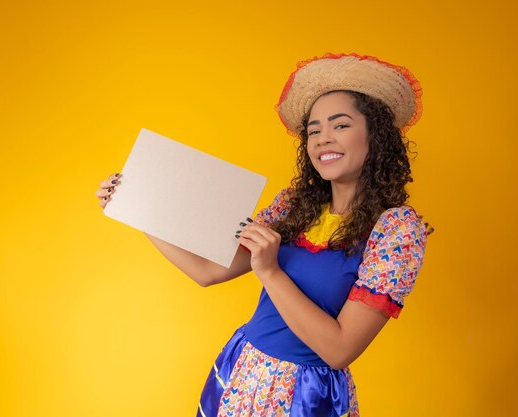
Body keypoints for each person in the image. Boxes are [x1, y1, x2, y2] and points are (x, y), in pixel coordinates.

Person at [95, 52, 434, 417]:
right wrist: (135, 207)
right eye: (314, 130)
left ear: (375, 136)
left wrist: (270, 271)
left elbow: (339, 350)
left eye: (340, 125)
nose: (323, 139)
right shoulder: (293, 207)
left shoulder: (397, 231)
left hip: (308, 397)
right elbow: (208, 272)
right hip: (243, 371)